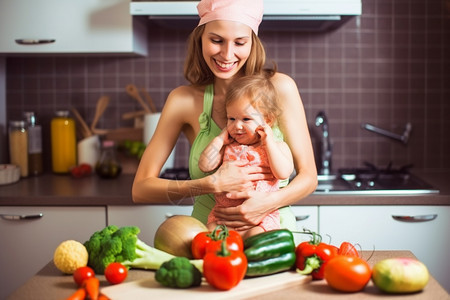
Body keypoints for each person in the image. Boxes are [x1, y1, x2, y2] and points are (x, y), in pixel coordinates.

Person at [132, 0, 318, 234]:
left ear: (252, 43)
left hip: (271, 235)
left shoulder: (280, 88)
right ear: (200, 38)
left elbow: (309, 177)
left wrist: (266, 204)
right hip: (206, 236)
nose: (227, 54)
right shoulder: (183, 100)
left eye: (239, 42)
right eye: (216, 40)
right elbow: (140, 188)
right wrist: (208, 184)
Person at [198, 73, 294, 238]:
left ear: (268, 121)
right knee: (209, 232)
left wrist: (269, 142)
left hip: (260, 220)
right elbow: (205, 165)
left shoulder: (277, 147)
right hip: (224, 217)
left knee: (259, 237)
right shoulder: (227, 146)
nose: (237, 126)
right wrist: (220, 139)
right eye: (231, 118)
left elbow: (283, 173)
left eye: (246, 119)